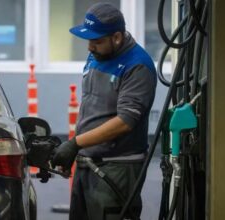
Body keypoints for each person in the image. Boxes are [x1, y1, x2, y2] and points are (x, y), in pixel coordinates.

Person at [52, 2, 157, 220]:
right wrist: (76, 151)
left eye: (97, 41)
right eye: (89, 40)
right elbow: (91, 107)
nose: (90, 47)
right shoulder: (97, 56)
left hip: (116, 169)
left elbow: (125, 121)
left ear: (117, 37)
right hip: (87, 162)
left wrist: (75, 143)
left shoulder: (137, 66)